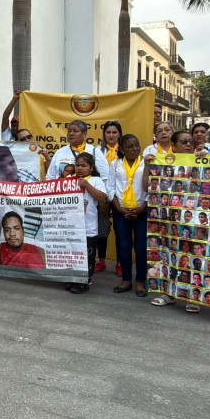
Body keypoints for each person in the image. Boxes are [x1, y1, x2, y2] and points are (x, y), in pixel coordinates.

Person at [107, 134, 147, 297]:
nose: (135, 149)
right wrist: (119, 208)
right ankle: (126, 279)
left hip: (141, 211)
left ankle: (140, 281)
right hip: (121, 211)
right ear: (122, 149)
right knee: (123, 246)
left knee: (141, 247)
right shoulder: (115, 164)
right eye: (130, 147)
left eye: (137, 145)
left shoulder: (146, 163)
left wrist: (142, 208)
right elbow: (110, 187)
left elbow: (151, 187)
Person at [65, 152, 107, 294]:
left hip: (88, 228)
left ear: (91, 168)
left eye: (84, 165)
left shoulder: (95, 180)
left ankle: (85, 281)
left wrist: (87, 185)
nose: (80, 168)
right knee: (72, 254)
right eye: (77, 165)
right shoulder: (69, 180)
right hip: (71, 227)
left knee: (87, 257)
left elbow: (102, 198)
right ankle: (73, 278)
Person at [95, 120, 121, 274]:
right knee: (102, 230)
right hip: (102, 195)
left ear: (119, 134)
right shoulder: (98, 151)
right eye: (108, 132)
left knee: (120, 230)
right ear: (104, 134)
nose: (111, 135)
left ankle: (119, 263)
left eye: (114, 132)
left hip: (120, 195)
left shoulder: (124, 150)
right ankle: (102, 260)